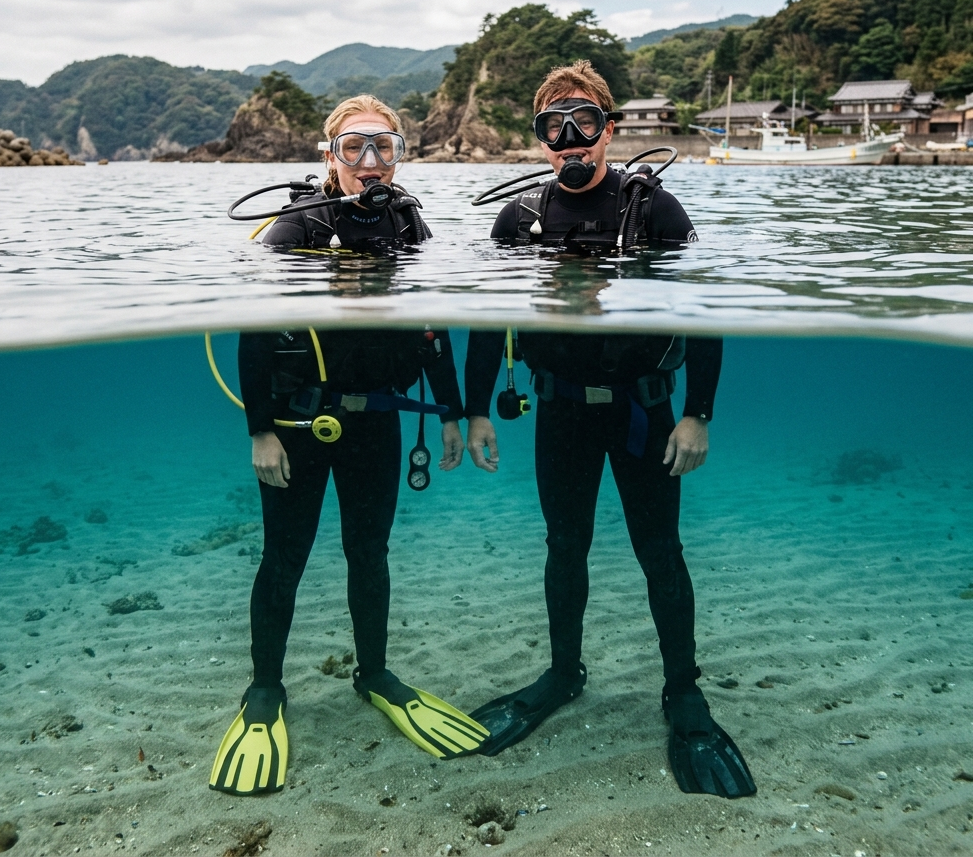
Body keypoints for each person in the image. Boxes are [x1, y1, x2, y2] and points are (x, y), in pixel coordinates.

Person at [463, 63, 755, 798]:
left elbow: (705, 310)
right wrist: (471, 410)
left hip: (643, 412)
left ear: (609, 129)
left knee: (661, 551)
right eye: (554, 126)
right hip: (561, 410)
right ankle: (564, 673)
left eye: (584, 122)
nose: (570, 139)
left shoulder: (652, 211)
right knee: (566, 546)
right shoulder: (518, 220)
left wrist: (698, 412)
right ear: (539, 139)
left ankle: (683, 691)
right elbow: (484, 325)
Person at [210, 95, 488, 796]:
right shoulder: (297, 226)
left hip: (378, 425)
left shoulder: (408, 223)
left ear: (400, 154)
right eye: (354, 148)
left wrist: (452, 411)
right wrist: (260, 430)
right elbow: (251, 330)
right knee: (284, 558)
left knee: (369, 552)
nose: (370, 163)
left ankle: (374, 673)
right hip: (300, 428)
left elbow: (431, 326)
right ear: (327, 155)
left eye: (384, 147)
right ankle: (265, 688)